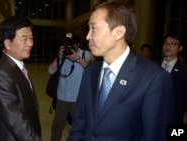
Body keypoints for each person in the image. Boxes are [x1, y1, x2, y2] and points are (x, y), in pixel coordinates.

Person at [67, 1, 173, 141]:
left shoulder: (153, 78)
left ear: (119, 32)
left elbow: (154, 135)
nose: (88, 36)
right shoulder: (91, 71)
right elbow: (79, 124)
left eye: (94, 28)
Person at [0, 16, 42, 141]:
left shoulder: (17, 66)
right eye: (24, 39)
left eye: (31, 38)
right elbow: (16, 122)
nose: (30, 43)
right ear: (7, 43)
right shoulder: (2, 74)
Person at [49, 34, 94, 141]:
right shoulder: (62, 56)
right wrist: (59, 57)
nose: (69, 47)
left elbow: (92, 70)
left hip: (78, 99)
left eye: (72, 44)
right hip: (61, 97)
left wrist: (77, 59)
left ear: (78, 45)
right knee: (57, 127)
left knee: (79, 127)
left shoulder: (85, 54)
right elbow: (51, 70)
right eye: (67, 44)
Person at [160, 33, 187, 123]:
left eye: (173, 44)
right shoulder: (152, 67)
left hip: (175, 117)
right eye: (166, 43)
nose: (168, 46)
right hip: (152, 117)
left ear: (180, 48)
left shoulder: (184, 70)